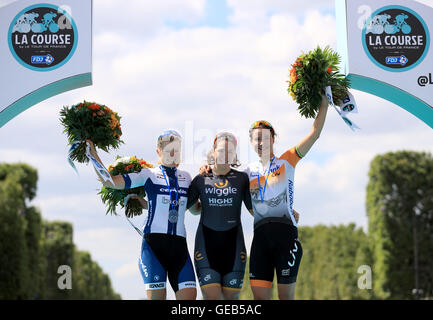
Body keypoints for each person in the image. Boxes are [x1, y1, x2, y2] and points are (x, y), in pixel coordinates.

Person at [86, 130, 198, 300]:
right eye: (167, 149)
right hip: (153, 248)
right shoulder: (148, 175)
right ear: (158, 152)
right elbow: (109, 181)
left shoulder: (187, 177)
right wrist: (92, 153)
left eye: (176, 149)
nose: (173, 153)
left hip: (179, 248)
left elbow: (192, 209)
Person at [246, 96, 329, 300]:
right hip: (260, 240)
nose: (260, 142)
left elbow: (315, 134)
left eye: (265, 137)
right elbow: (247, 203)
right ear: (251, 142)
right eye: (256, 138)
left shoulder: (287, 160)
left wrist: (324, 104)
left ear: (273, 139)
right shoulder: (246, 172)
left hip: (286, 237)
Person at [186, 132, 252, 300]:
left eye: (230, 151)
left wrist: (284, 211)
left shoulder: (242, 179)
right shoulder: (200, 179)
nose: (225, 154)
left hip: (235, 248)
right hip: (206, 247)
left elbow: (255, 210)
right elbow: (190, 209)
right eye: (221, 150)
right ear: (213, 152)